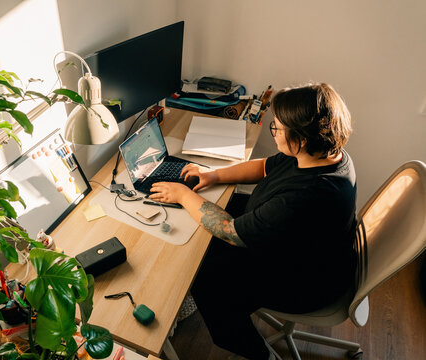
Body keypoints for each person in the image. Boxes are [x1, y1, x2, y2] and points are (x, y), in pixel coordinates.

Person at [149, 82, 357, 360]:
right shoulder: (321, 153)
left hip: (305, 281)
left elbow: (228, 229)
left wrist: (183, 194)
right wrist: (214, 175)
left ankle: (260, 353)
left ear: (302, 138)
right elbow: (264, 167)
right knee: (213, 222)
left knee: (207, 279)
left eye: (278, 128)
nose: (273, 132)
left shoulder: (308, 195)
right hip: (306, 248)